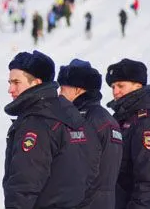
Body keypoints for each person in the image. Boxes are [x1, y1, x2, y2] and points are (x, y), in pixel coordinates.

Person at [3, 50, 100, 209]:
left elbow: (24, 185)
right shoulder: (69, 112)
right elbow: (91, 172)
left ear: (36, 83)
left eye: (16, 82)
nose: (10, 89)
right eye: (9, 83)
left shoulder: (36, 122)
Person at [106, 59, 150, 208]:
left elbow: (149, 183)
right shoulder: (123, 119)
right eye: (113, 86)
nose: (115, 91)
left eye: (121, 85)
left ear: (138, 85)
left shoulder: (148, 123)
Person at [58, 59, 123, 208]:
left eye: (62, 89)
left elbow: (78, 174)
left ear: (78, 90)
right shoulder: (105, 118)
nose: (59, 94)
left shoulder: (85, 120)